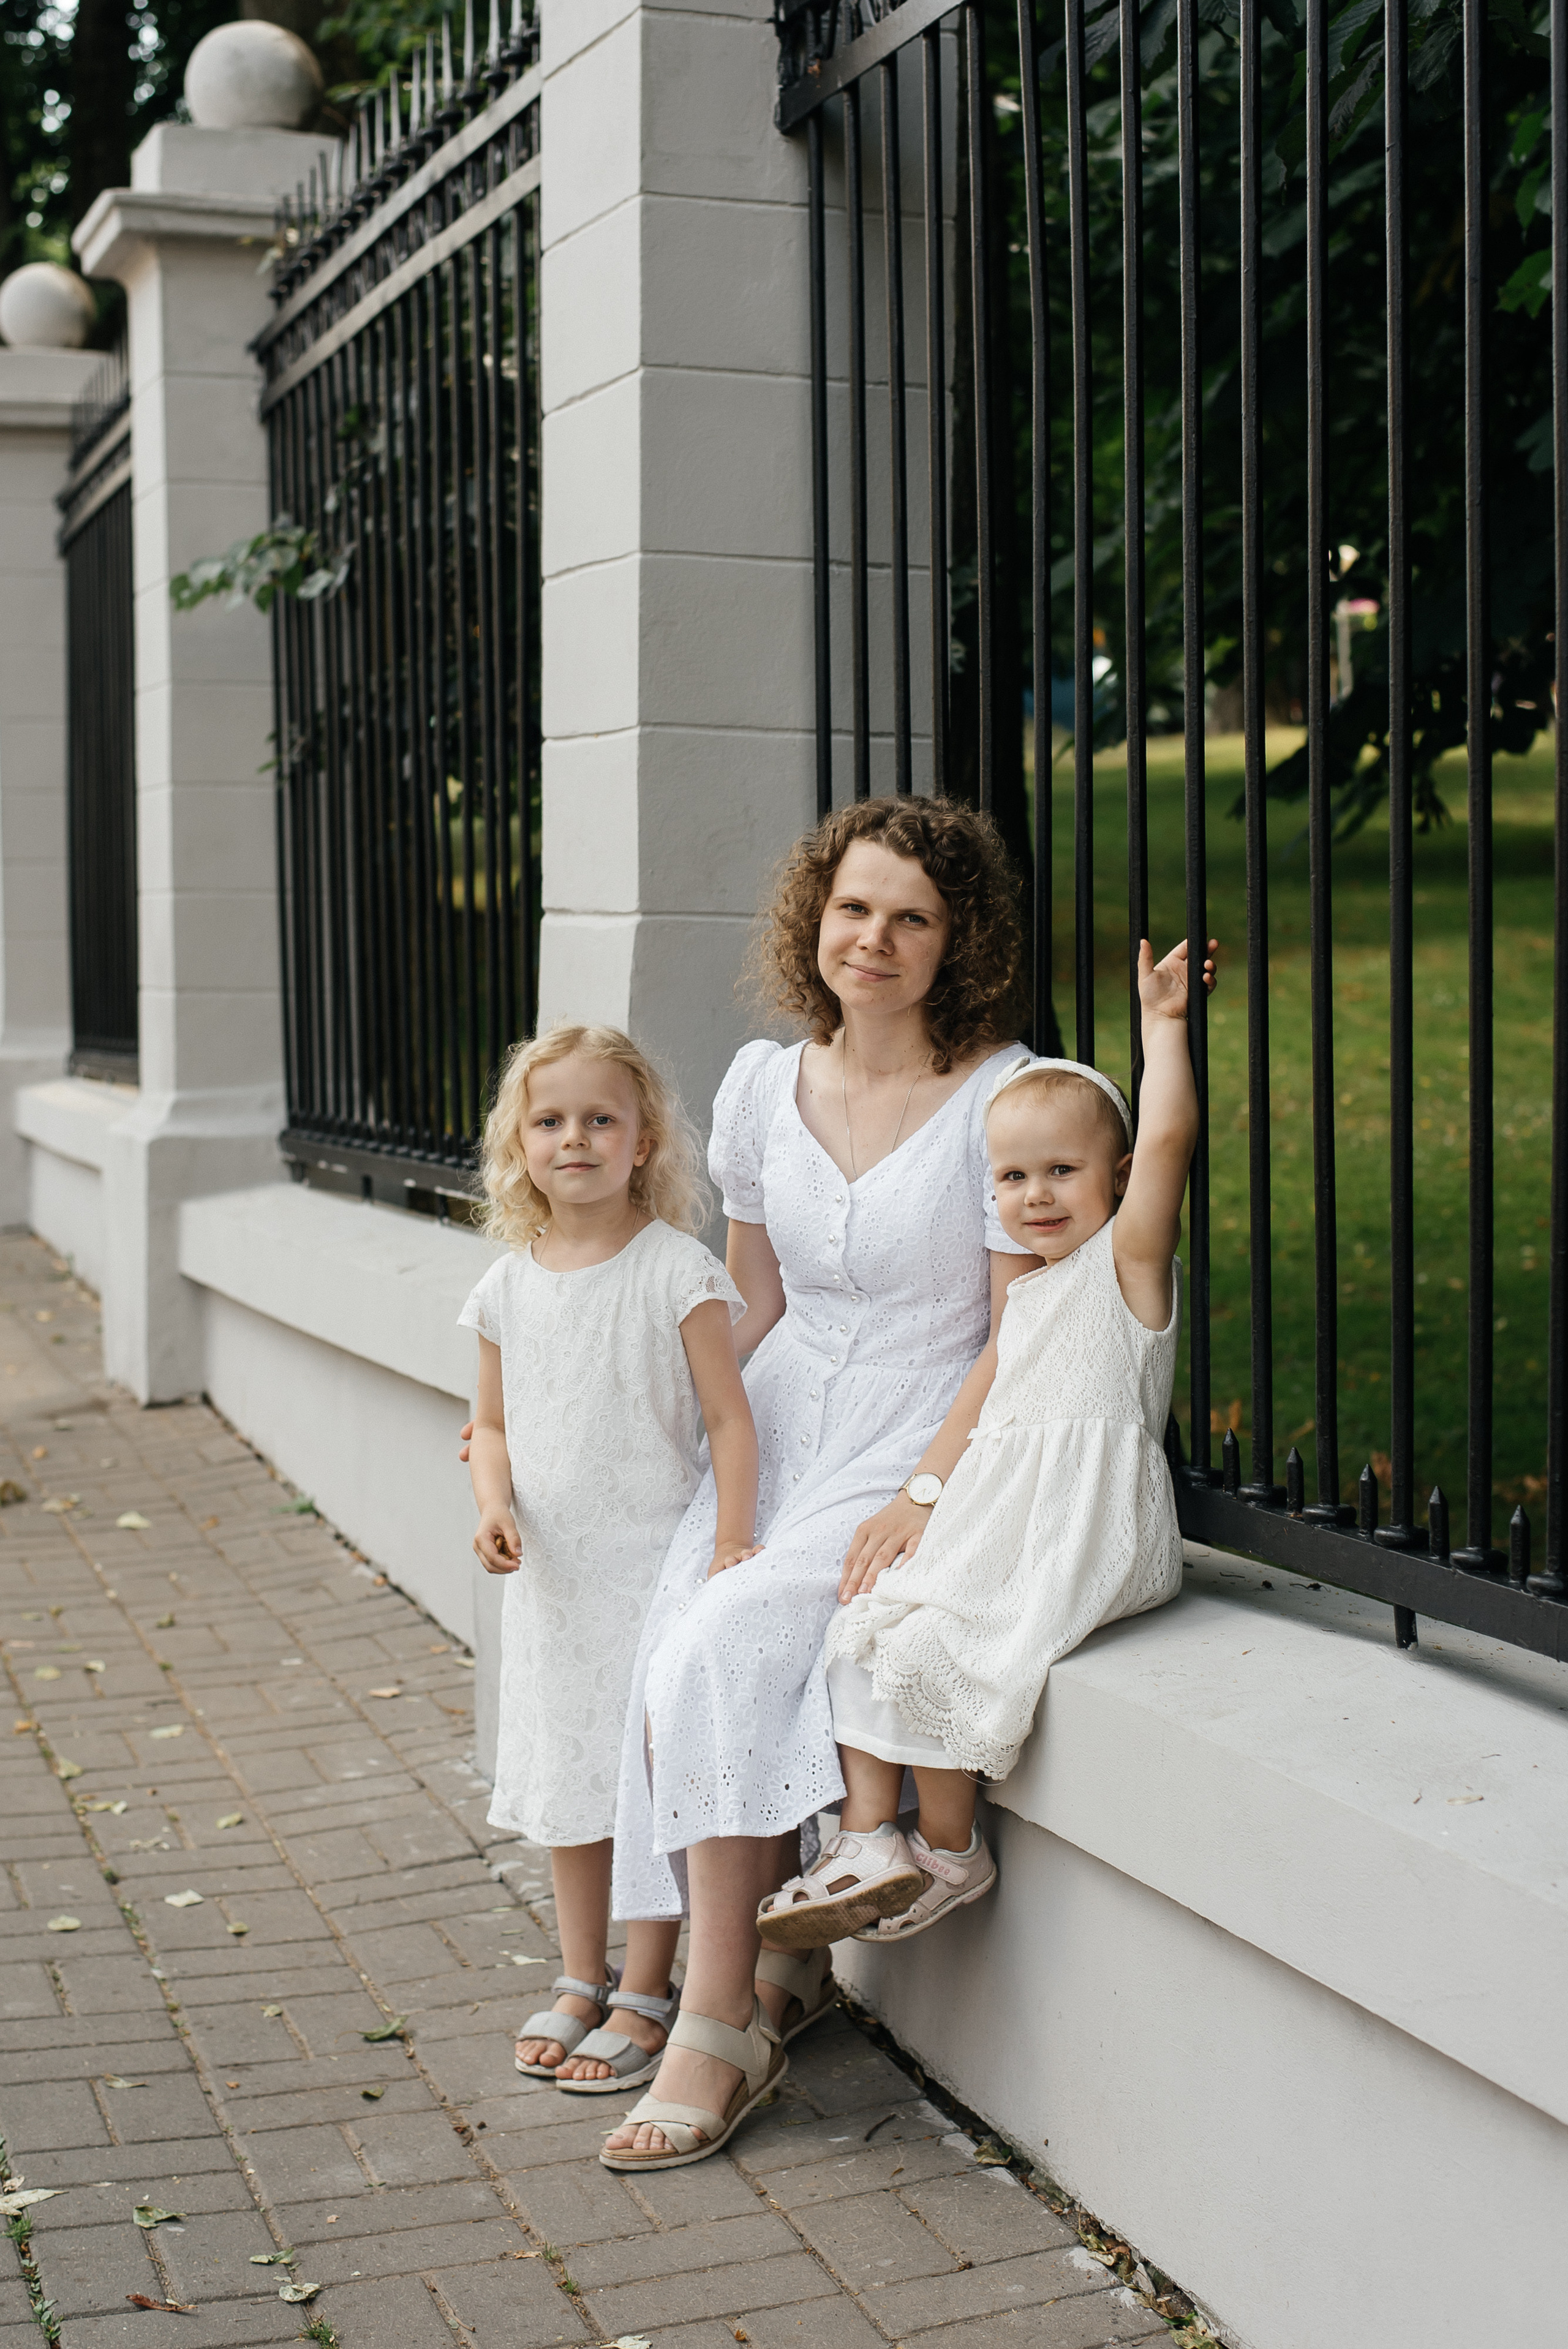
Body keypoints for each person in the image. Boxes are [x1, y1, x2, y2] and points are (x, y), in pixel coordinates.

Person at [600, 795, 1036, 2173]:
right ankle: (767, 1976)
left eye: (912, 916)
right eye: (854, 907)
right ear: (814, 918)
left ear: (953, 939)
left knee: (730, 1643)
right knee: (678, 1635)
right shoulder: (753, 1086)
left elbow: (1014, 1329)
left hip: (917, 1431)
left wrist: (922, 1486)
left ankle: (712, 2025)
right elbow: (753, 1299)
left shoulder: (1002, 1094)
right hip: (781, 1429)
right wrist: (685, 1441)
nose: (877, 938)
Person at [757, 936, 1215, 1951]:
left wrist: (1167, 1031)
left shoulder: (1126, 1269)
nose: (1037, 1195)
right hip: (1000, 1510)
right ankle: (870, 1839)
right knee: (869, 1619)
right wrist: (918, 1496)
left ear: (1119, 1177)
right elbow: (979, 1404)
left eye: (1063, 1171)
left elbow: (1175, 1140)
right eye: (1012, 1177)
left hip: (1077, 1525)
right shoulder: (1026, 1297)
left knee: (942, 1648)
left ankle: (955, 1857)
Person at [460, 1022, 758, 2095]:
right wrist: (493, 1503)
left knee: (637, 1778)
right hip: (554, 1579)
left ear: (643, 1143)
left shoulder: (676, 1272)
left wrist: (732, 1537)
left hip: (648, 1568)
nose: (574, 1138)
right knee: (567, 1778)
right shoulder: (505, 1288)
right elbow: (490, 1425)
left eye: (601, 1119)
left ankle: (647, 1983)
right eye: (550, 1120)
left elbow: (729, 1421)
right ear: (519, 1145)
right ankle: (580, 1976)